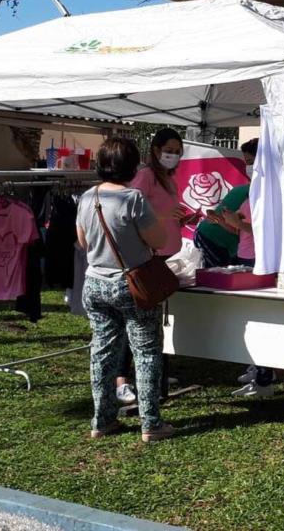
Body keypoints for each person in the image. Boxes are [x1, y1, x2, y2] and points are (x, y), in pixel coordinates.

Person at [77, 137, 175, 442]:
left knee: (102, 352)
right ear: (133, 166)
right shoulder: (132, 199)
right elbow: (158, 240)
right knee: (145, 352)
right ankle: (151, 423)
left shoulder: (86, 198)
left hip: (94, 282)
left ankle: (102, 420)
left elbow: (83, 242)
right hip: (132, 283)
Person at [111, 128, 187, 405]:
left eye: (178, 151)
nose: (174, 155)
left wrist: (177, 219)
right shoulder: (146, 175)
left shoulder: (167, 177)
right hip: (147, 257)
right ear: (155, 150)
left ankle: (152, 373)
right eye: (169, 149)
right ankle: (121, 379)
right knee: (136, 319)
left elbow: (159, 212)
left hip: (163, 255)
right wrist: (165, 215)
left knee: (151, 320)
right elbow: (129, 209)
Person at [221, 173, 275, 398]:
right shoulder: (248, 198)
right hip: (244, 258)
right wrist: (227, 223)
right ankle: (256, 368)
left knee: (260, 316)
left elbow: (263, 232)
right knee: (248, 316)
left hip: (258, 260)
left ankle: (265, 377)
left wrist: (238, 223)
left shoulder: (269, 201)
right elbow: (240, 229)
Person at [193, 138, 258, 268]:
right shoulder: (248, 192)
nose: (248, 167)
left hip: (248, 254)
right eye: (247, 163)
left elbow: (256, 230)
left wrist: (229, 221)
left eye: (250, 162)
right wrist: (222, 220)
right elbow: (237, 228)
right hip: (238, 251)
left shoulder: (262, 194)